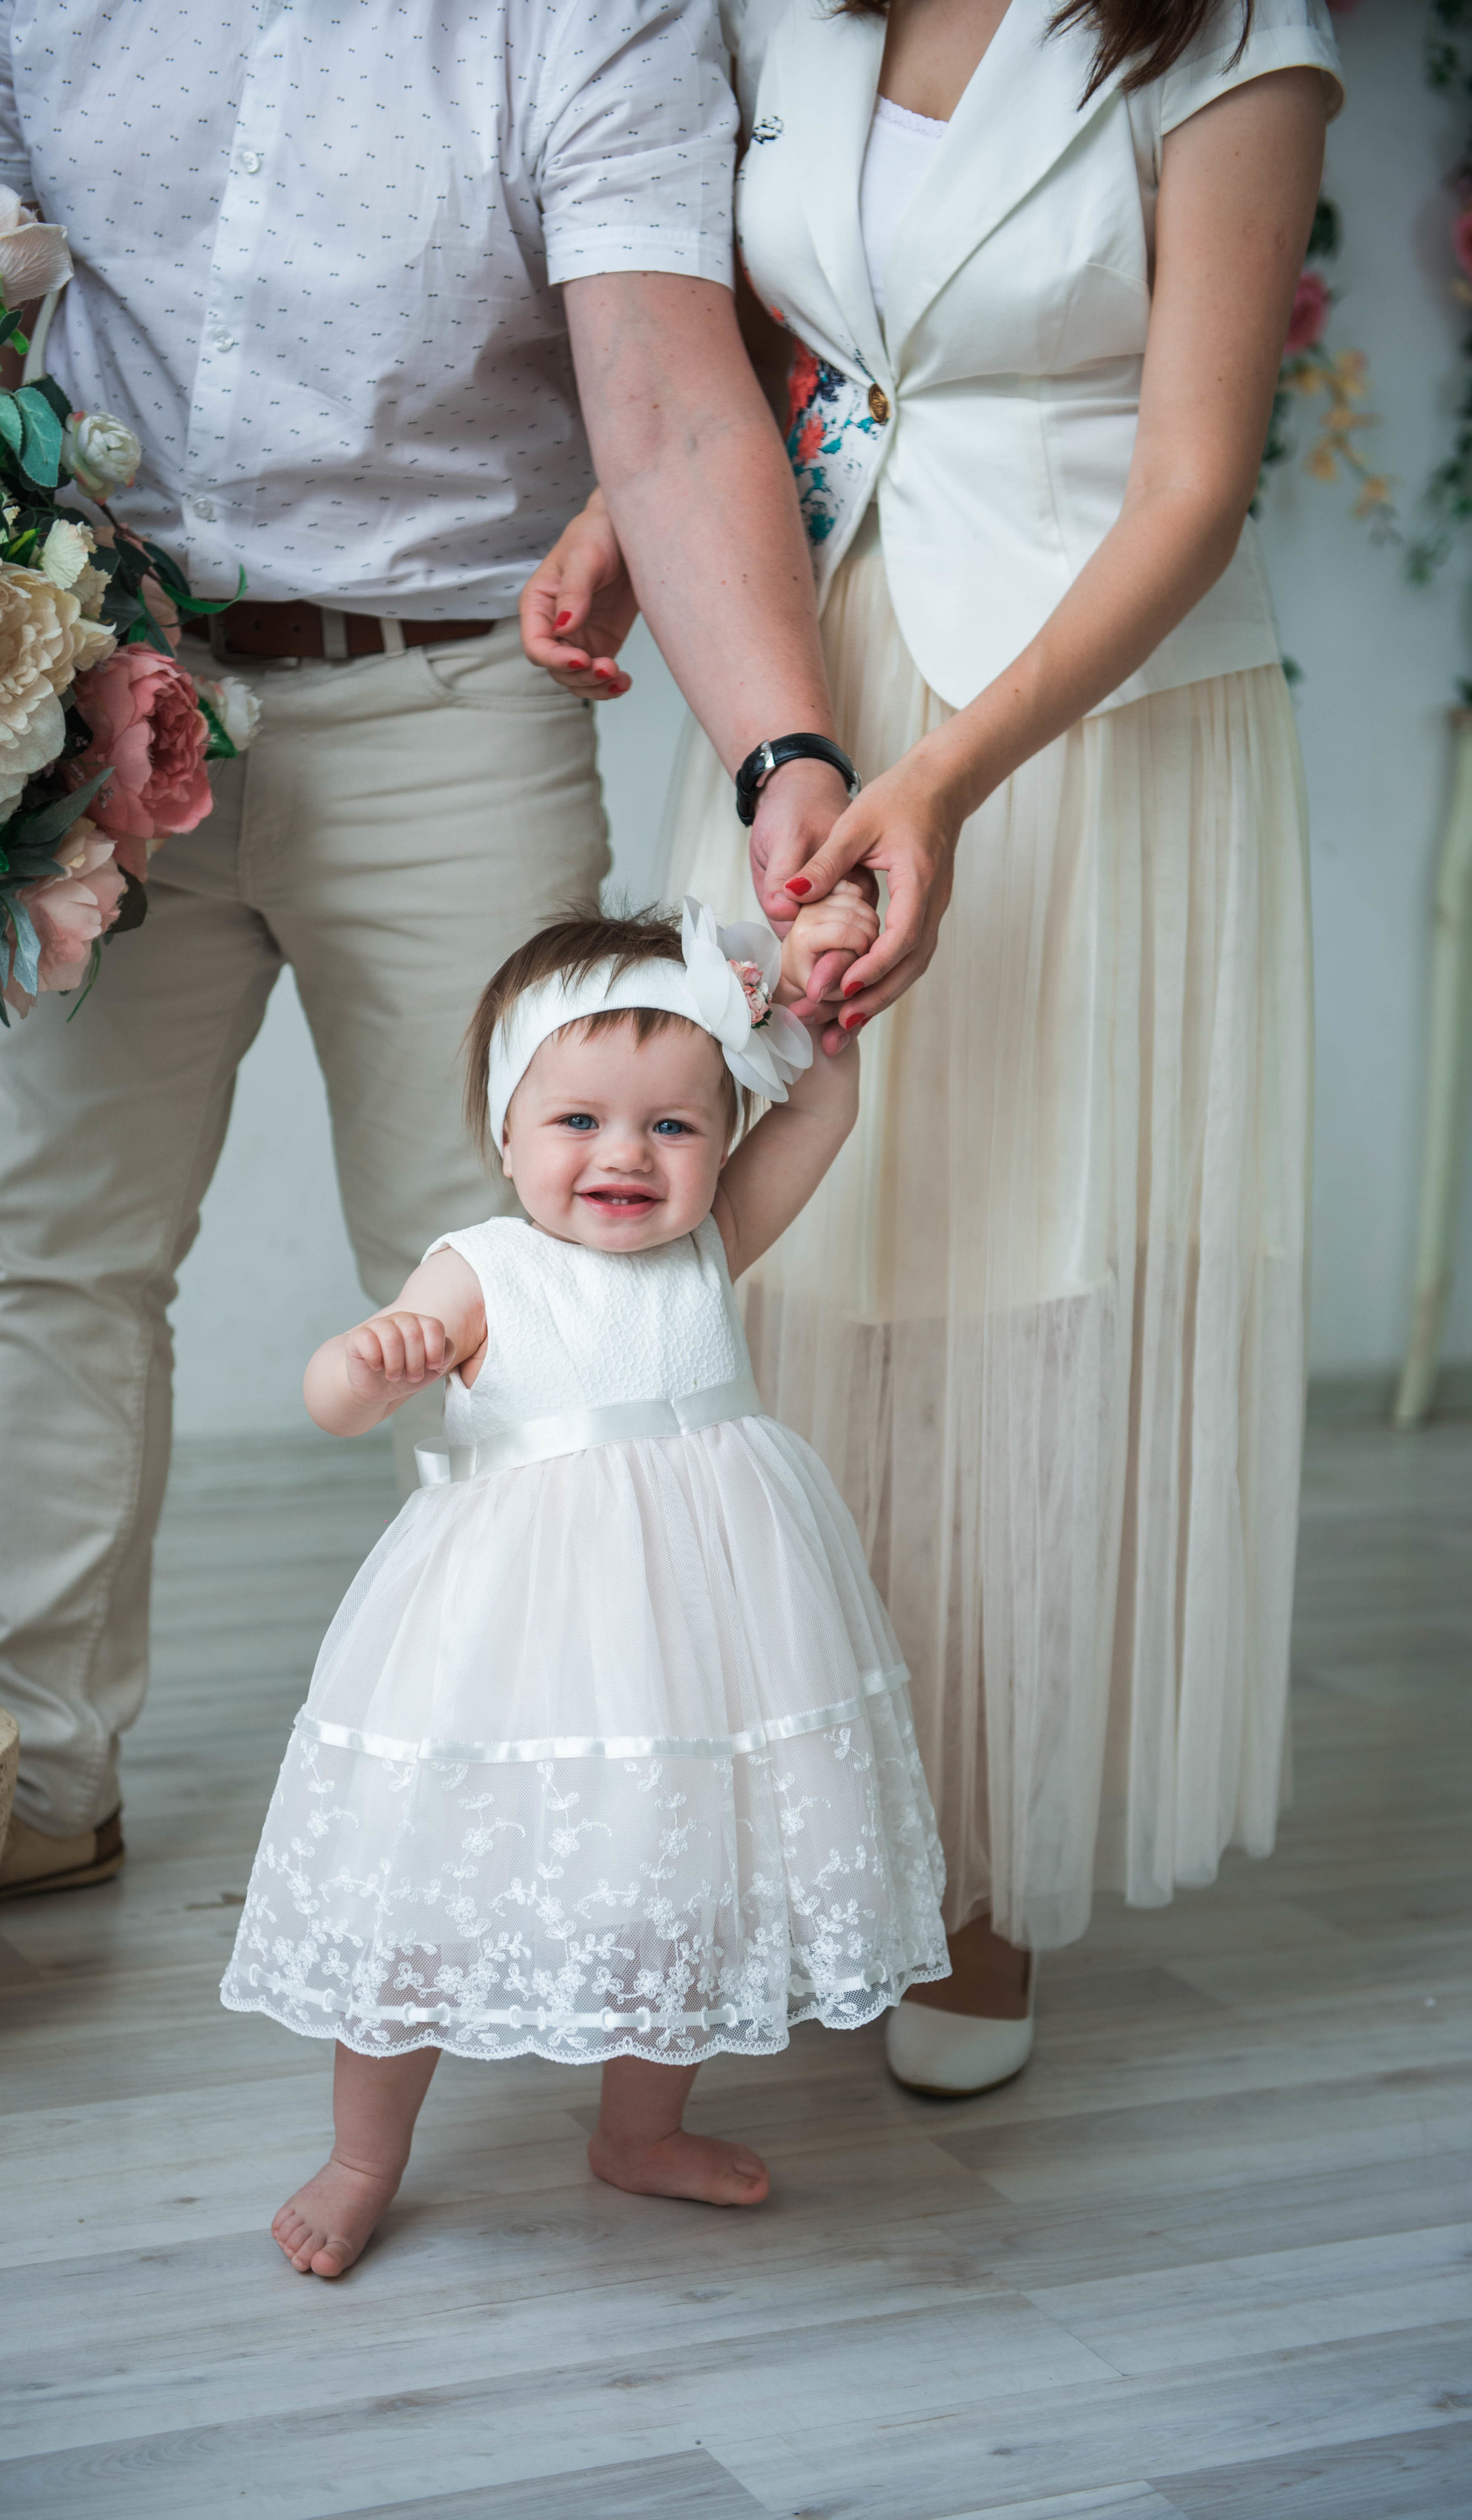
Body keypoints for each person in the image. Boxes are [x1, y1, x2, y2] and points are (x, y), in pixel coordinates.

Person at [0, 0, 863, 1897]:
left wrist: (791, 753)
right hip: (91, 670)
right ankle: (33, 1774)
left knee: (526, 1285)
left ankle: (532, 1795)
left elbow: (671, 401)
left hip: (445, 694)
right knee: (56, 1249)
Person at [522, 0, 1342, 2092]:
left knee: (1001, 1270)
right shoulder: (791, 9)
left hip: (1082, 732)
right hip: (810, 675)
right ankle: (782, 1809)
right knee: (787, 1264)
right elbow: (822, 353)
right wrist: (654, 514)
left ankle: (975, 1873)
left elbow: (1196, 482)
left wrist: (953, 785)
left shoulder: (1236, 36)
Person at [221, 894, 948, 2276]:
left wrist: (825, 1037)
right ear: (505, 1130)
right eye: (577, 1121)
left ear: (722, 1136)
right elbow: (332, 1393)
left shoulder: (707, 1244)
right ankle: (364, 2152)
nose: (625, 1153)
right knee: (422, 1895)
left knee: (669, 1885)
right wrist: (366, 1366)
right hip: (512, 1640)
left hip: (702, 1636)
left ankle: (638, 2132)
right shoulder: (483, 1267)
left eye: (673, 1125)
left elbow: (820, 1119)